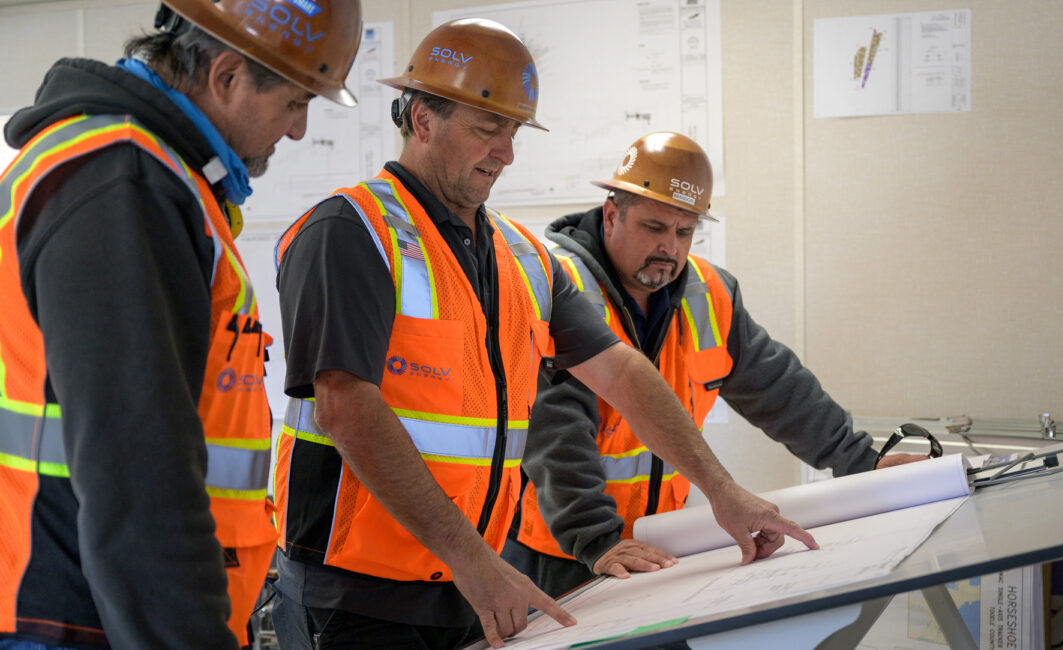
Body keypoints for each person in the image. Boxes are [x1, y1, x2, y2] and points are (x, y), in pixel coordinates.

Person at [270, 18, 814, 650]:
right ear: (422, 121)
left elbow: (622, 372)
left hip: (466, 592)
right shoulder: (350, 232)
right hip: (354, 598)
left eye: (514, 132)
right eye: (487, 128)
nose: (506, 153)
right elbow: (346, 409)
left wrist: (722, 491)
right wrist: (474, 560)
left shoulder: (523, 257)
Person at [0, 1, 361, 648]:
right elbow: (139, 478)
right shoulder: (124, 182)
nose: (300, 130)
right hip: (83, 621)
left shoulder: (139, 172)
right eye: (294, 103)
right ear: (226, 76)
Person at [501, 132, 929, 599]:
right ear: (611, 215)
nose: (669, 247)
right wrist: (596, 539)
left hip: (658, 544)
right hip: (561, 552)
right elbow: (556, 432)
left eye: (684, 232)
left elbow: (781, 391)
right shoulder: (560, 289)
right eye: (654, 227)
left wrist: (862, 462)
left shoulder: (708, 293)